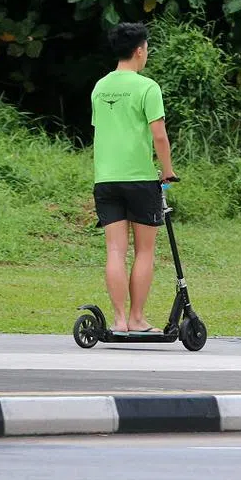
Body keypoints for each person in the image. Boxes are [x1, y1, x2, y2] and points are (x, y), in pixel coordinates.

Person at [91, 22, 177, 335]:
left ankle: (118, 320)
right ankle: (138, 318)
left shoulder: (100, 87)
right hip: (140, 179)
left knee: (115, 251)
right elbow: (159, 135)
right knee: (144, 251)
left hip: (106, 179)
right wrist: (167, 170)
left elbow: (101, 131)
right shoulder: (147, 87)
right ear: (139, 50)